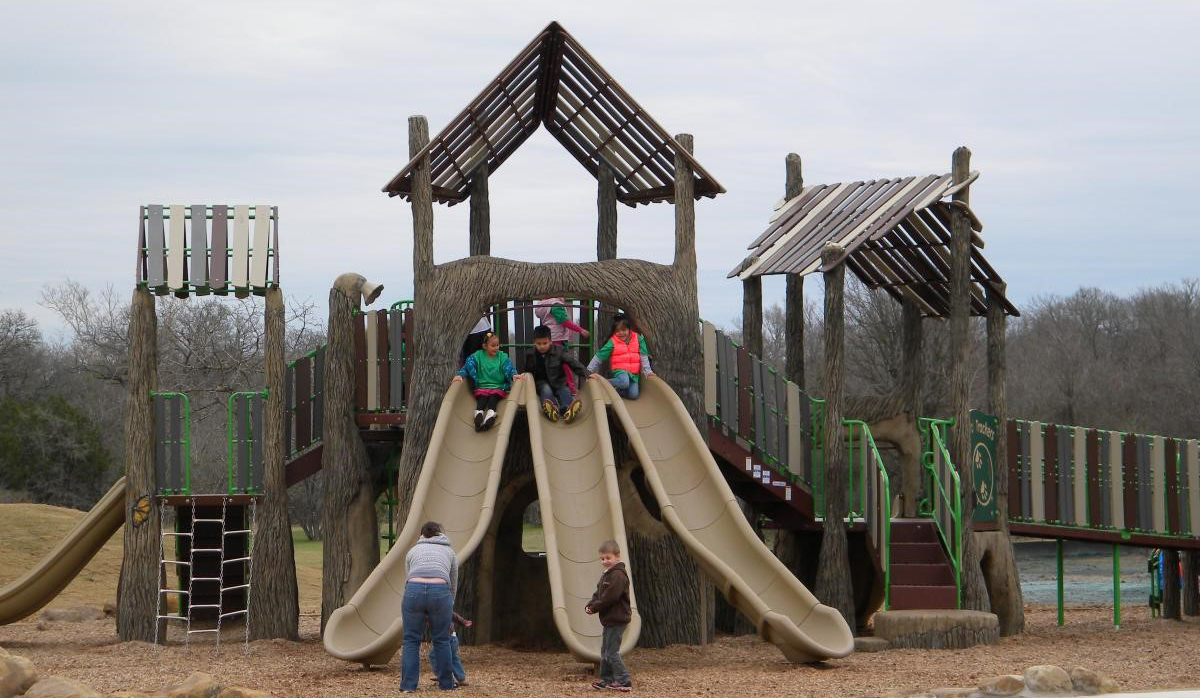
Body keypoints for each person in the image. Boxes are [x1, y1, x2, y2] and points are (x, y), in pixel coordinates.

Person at [401, 522, 458, 692]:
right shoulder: (449, 552)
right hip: (440, 591)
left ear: (422, 535)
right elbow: (453, 582)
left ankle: (408, 686)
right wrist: (449, 605)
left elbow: (408, 578)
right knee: (441, 639)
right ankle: (447, 684)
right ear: (440, 534)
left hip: (413, 591)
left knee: (411, 640)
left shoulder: (412, 551)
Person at [585, 539, 632, 692]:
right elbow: (598, 593)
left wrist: (595, 607)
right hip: (609, 620)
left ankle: (624, 681)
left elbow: (610, 597)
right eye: (602, 558)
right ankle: (606, 679)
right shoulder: (606, 575)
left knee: (611, 652)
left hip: (617, 619)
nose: (605, 561)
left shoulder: (618, 575)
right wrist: (590, 604)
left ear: (617, 557)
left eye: (608, 558)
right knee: (605, 651)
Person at [453, 332, 519, 431]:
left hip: (498, 387)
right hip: (482, 387)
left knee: (493, 399)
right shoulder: (478, 356)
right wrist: (460, 375)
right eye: (493, 346)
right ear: (484, 346)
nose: (496, 348)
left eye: (497, 345)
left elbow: (508, 367)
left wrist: (513, 374)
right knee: (482, 400)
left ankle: (489, 415)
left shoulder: (501, 356)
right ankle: (479, 414)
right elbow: (467, 366)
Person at [525, 325, 593, 423]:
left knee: (564, 391)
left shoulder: (559, 351)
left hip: (559, 381)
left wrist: (587, 374)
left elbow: (572, 362)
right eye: (538, 343)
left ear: (550, 342)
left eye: (545, 343)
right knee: (546, 390)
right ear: (534, 343)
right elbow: (528, 371)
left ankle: (567, 410)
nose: (542, 346)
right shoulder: (530, 354)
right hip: (541, 382)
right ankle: (553, 410)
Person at [586, 314, 652, 400]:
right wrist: (588, 371)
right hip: (620, 370)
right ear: (614, 332)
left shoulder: (638, 338)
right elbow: (599, 356)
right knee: (624, 382)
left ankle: (614, 390)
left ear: (629, 329)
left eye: (624, 330)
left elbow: (643, 355)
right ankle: (601, 383)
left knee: (633, 395)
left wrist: (648, 371)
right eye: (617, 331)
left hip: (633, 374)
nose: (621, 333)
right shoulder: (613, 342)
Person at [535, 298, 589, 393]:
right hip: (557, 338)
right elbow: (564, 321)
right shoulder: (555, 304)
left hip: (549, 336)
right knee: (564, 363)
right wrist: (581, 330)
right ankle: (570, 388)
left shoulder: (543, 305)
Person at [429, 612, 472, 687]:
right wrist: (464, 622)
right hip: (452, 637)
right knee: (453, 658)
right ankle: (461, 678)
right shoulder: (443, 606)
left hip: (445, 638)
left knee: (434, 656)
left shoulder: (436, 607)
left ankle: (442, 676)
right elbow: (455, 616)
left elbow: (454, 615)